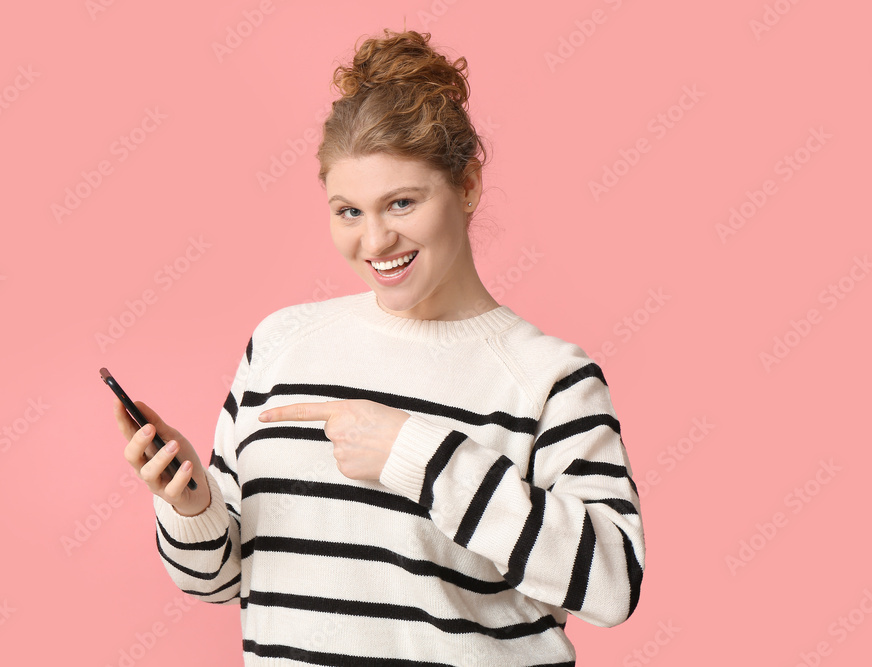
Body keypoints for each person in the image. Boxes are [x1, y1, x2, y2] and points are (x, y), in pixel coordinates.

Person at [115, 28, 645, 666]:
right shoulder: (281, 346)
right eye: (348, 211)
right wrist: (191, 504)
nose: (375, 242)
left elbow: (612, 584)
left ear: (468, 186)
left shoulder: (549, 378)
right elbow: (224, 581)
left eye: (401, 203)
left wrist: (416, 454)